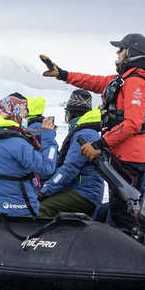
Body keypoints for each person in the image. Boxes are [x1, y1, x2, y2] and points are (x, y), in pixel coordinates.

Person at [40, 33, 145, 230]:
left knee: (123, 211)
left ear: (131, 51)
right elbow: (94, 82)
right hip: (122, 153)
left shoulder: (135, 82)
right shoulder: (125, 79)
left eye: (121, 49)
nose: (117, 52)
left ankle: (126, 252)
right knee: (119, 208)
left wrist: (99, 144)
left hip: (129, 156)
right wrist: (63, 74)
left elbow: (132, 123)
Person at [0, 94, 57, 217]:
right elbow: (47, 167)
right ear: (14, 114)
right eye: (23, 112)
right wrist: (49, 138)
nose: (25, 117)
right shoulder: (17, 143)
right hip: (18, 208)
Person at [38, 89, 105, 217]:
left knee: (42, 208)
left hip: (84, 192)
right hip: (82, 189)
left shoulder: (84, 133)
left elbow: (69, 168)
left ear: (71, 113)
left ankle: (45, 237)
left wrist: (45, 190)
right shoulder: (82, 130)